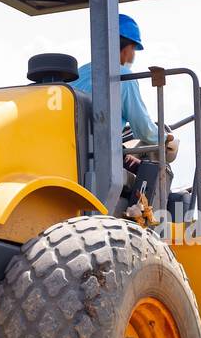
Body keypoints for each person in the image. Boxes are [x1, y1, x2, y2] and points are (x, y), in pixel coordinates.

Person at [70, 13, 178, 214]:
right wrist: (166, 139)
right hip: (100, 161)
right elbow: (144, 131)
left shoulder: (77, 74)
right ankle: (143, 218)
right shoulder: (124, 77)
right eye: (134, 49)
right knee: (156, 162)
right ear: (125, 47)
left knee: (132, 160)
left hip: (74, 156)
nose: (133, 55)